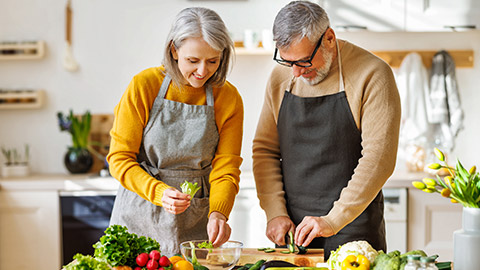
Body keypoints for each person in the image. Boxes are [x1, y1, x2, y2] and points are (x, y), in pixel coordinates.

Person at [252, 1, 401, 260]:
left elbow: (379, 159)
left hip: (354, 230)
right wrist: (275, 212)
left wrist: (333, 220)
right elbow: (265, 150)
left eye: (304, 61)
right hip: (294, 235)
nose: (296, 73)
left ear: (329, 38)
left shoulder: (372, 74)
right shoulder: (281, 78)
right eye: (288, 62)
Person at [107, 7, 243, 257]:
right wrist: (158, 191)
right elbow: (119, 159)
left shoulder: (229, 97)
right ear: (174, 50)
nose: (203, 71)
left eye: (213, 61)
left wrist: (219, 213)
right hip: (140, 213)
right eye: (193, 61)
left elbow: (226, 167)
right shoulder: (144, 85)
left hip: (196, 222)